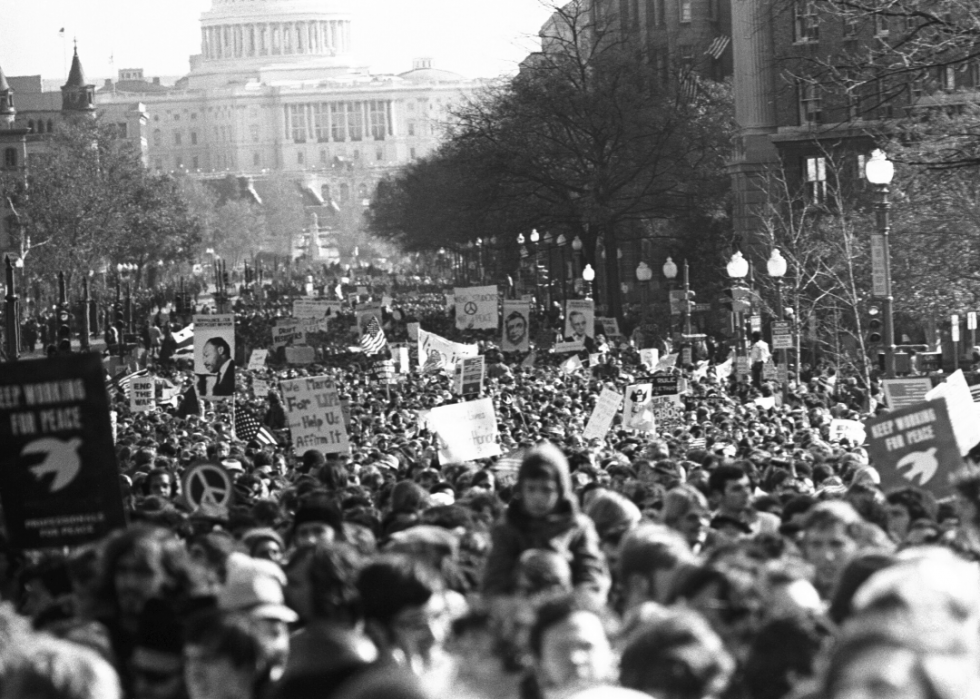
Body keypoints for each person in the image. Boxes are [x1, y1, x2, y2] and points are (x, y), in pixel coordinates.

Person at [482, 442, 609, 600]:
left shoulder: (578, 527)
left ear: (561, 490)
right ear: (521, 489)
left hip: (567, 609)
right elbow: (495, 582)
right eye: (531, 489)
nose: (538, 498)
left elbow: (592, 578)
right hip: (518, 609)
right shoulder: (507, 526)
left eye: (547, 490)